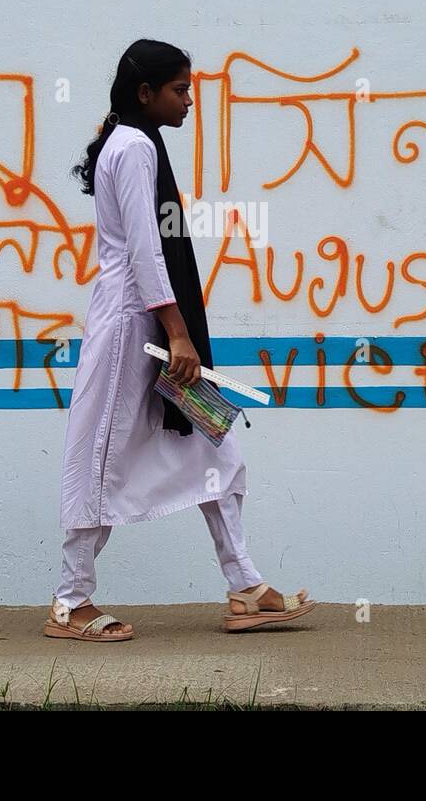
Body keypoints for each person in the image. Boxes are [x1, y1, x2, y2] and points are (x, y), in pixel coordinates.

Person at [45, 38, 316, 641]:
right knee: (99, 456)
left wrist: (176, 332)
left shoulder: (134, 140)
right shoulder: (135, 146)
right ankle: (70, 601)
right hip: (132, 329)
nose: (190, 101)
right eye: (180, 90)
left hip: (153, 323)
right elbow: (146, 249)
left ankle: (245, 584)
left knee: (214, 445)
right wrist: (178, 335)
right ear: (146, 94)